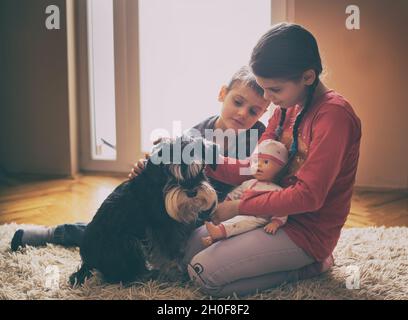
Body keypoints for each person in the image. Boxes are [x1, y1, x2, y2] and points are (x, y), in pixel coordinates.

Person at [183, 22, 361, 297]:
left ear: (308, 77)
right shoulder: (285, 108)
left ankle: (310, 266)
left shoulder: (334, 117)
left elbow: (309, 197)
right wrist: (196, 156)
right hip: (268, 214)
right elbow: (254, 168)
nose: (267, 98)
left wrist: (241, 207)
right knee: (187, 254)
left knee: (204, 276)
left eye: (274, 90)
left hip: (305, 231)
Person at [10, 66, 269, 251]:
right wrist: (144, 168)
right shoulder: (196, 134)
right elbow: (163, 166)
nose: (242, 113)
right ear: (222, 93)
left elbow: (263, 171)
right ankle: (57, 232)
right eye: (237, 102)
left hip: (224, 212)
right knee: (126, 219)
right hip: (185, 206)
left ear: (264, 112)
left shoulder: (260, 138)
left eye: (254, 110)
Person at [201, 139, 289, 247]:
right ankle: (212, 238)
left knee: (243, 222)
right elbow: (235, 193)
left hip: (259, 217)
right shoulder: (249, 183)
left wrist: (276, 222)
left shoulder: (277, 190)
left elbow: (282, 209)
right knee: (232, 219)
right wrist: (226, 203)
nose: (259, 166)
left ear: (280, 168)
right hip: (241, 211)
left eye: (265, 162)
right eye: (256, 162)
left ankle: (217, 233)